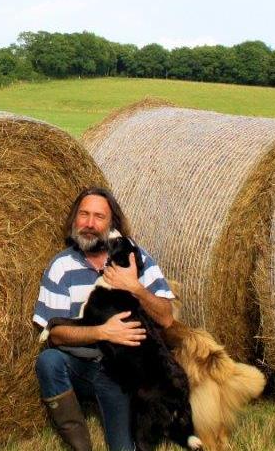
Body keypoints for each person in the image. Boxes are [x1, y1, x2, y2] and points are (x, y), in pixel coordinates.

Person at [33, 187, 176, 451]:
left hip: (121, 371)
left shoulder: (135, 258)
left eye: (99, 216)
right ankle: (80, 445)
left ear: (112, 223)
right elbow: (55, 334)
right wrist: (103, 332)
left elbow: (166, 318)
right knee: (48, 361)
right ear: (74, 219)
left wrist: (134, 286)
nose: (89, 223)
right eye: (83, 214)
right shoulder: (61, 266)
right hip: (81, 365)